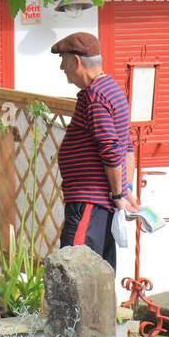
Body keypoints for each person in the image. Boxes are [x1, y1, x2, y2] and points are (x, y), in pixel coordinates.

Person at [51, 32, 138, 271]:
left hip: (90, 202)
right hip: (99, 203)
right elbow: (127, 147)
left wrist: (119, 194)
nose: (61, 67)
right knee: (96, 275)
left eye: (63, 60)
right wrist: (125, 190)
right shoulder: (112, 90)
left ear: (77, 61)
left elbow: (110, 148)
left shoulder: (95, 96)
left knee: (73, 272)